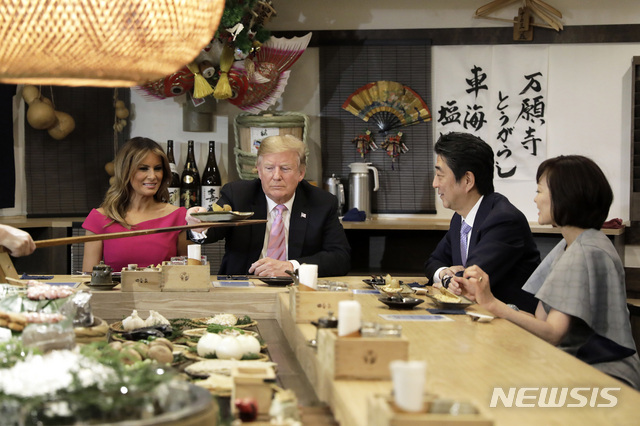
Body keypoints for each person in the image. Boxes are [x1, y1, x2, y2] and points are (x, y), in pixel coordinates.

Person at [453, 155, 640, 388]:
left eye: (540, 191)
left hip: (605, 375)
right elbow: (539, 319)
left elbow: (553, 333)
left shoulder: (586, 250)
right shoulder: (569, 244)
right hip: (575, 365)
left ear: (565, 196)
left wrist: (492, 304)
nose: (535, 199)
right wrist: (486, 299)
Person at [187, 134, 351, 277]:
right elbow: (211, 230)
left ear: (301, 173)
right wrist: (199, 225)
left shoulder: (321, 202)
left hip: (295, 286)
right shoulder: (238, 194)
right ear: (259, 171)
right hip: (243, 286)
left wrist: (291, 267)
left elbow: (340, 258)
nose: (276, 176)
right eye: (269, 168)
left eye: (285, 168)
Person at [424, 132, 539, 313]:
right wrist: (444, 273)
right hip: (476, 318)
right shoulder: (460, 217)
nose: (434, 184)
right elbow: (433, 262)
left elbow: (469, 282)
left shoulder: (504, 220)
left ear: (468, 180)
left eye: (440, 175)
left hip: (513, 327)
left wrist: (446, 281)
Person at [82, 137, 188, 272]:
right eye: (143, 169)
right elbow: (89, 279)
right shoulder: (99, 218)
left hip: (164, 293)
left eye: (158, 168)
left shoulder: (179, 217)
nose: (153, 176)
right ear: (125, 171)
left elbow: (188, 275)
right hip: (116, 293)